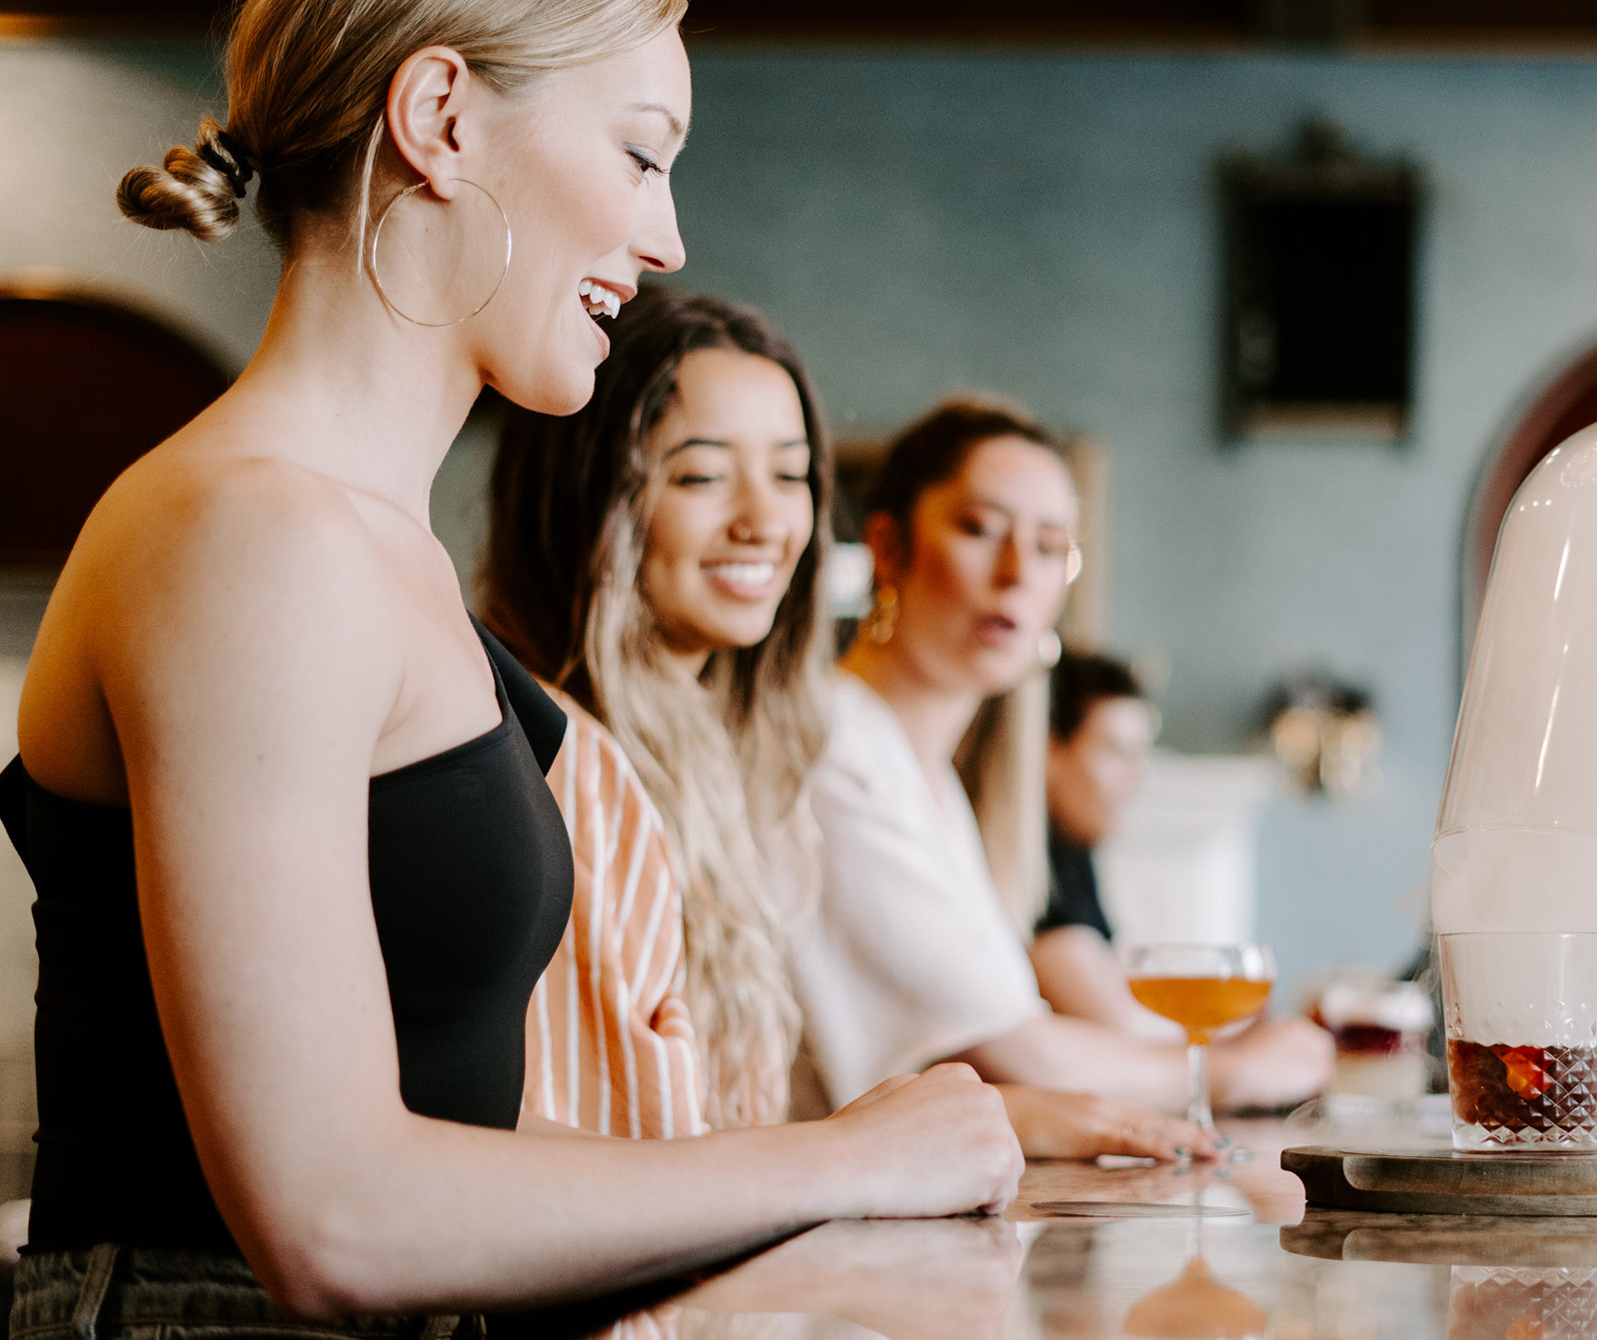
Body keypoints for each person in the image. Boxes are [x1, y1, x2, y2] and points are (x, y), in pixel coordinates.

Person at [0, 3, 1021, 1331]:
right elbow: (331, 1218)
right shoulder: (250, 534)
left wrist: (833, 1159)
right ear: (440, 120)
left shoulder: (377, 550)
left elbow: (448, 1122)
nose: (667, 239)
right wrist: (843, 1162)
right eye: (641, 155)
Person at [485, 284, 1205, 1160]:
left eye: (790, 477)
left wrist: (948, 1124)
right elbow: (587, 1156)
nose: (764, 523)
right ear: (588, 493)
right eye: (703, 475)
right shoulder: (566, 762)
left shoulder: (728, 759)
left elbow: (718, 1127)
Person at [799, 396, 1333, 1117]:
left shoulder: (933, 784)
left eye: (1050, 546)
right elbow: (1006, 1052)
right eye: (979, 528)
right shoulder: (833, 748)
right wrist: (1230, 1073)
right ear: (889, 547)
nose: (1018, 571)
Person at [1028, 650, 1178, 1040]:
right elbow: (1121, 1026)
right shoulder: (1029, 863)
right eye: (1116, 752)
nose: (1137, 775)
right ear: (1049, 750)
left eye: (1139, 754)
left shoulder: (1073, 845)